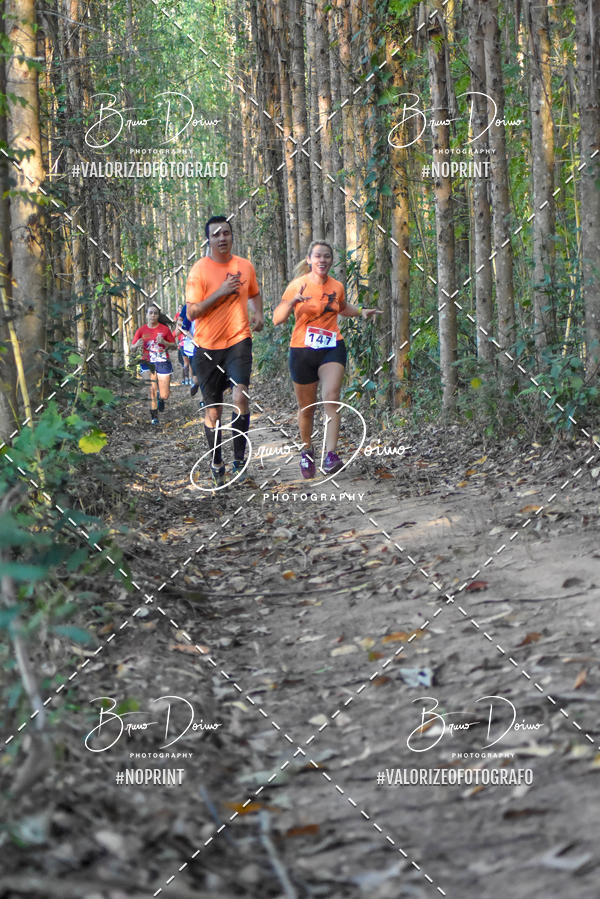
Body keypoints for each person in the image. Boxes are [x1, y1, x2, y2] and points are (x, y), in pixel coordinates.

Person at [273, 240, 380, 478]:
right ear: (309, 260)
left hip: (332, 346)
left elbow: (341, 307)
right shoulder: (297, 285)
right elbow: (277, 319)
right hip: (301, 351)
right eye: (318, 256)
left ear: (331, 260)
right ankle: (307, 450)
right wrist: (292, 302)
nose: (323, 260)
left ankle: (331, 456)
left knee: (331, 397)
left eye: (327, 256)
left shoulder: (337, 286)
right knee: (307, 409)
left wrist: (362, 312)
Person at [186, 215, 263, 486]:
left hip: (238, 339)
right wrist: (220, 291)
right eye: (216, 234)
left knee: (241, 396)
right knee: (214, 412)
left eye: (226, 233)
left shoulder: (245, 266)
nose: (222, 238)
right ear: (208, 239)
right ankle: (216, 460)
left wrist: (259, 313)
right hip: (206, 347)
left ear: (232, 236)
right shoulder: (199, 270)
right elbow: (192, 311)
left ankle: (239, 460)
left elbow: (253, 292)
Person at [131, 303, 177, 425]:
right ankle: (154, 417)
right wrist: (136, 345)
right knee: (151, 389)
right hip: (147, 362)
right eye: (150, 312)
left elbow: (174, 346)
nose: (153, 315)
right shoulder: (141, 330)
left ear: (158, 315)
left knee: (164, 394)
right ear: (146, 315)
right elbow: (132, 348)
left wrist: (165, 342)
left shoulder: (164, 329)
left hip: (162, 361)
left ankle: (160, 399)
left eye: (155, 313)